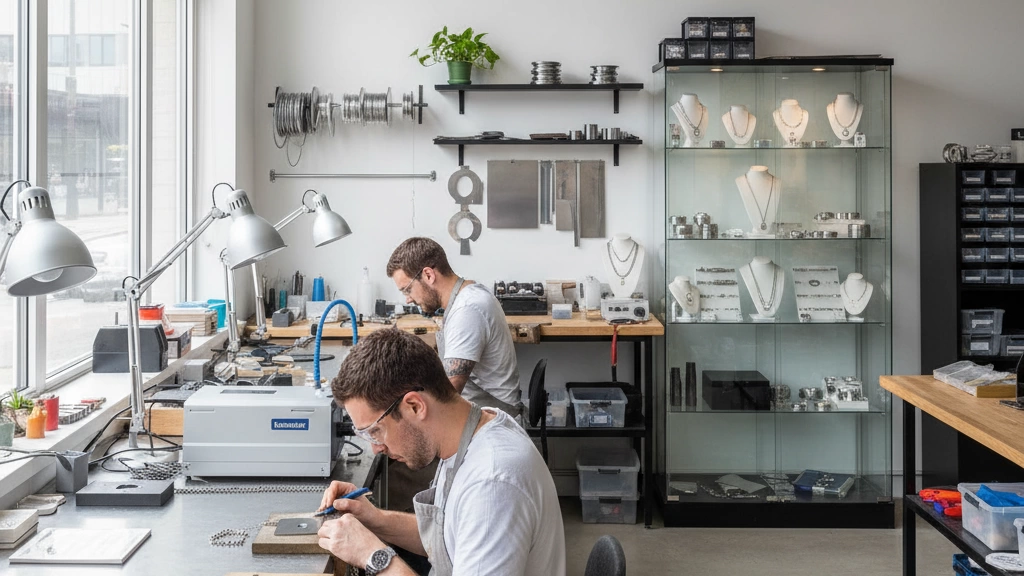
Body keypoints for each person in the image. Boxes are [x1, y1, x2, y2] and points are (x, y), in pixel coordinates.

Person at [317, 329, 565, 576]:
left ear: (415, 406)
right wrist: (373, 519)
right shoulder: (471, 428)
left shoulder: (492, 484)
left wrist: (375, 557)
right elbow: (451, 536)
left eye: (375, 431)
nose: (376, 448)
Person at [386, 237, 523, 418]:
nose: (408, 299)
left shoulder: (467, 309)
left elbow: (447, 395)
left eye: (407, 289)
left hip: (494, 419)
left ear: (428, 275)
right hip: (480, 408)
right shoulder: (467, 295)